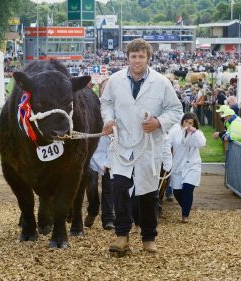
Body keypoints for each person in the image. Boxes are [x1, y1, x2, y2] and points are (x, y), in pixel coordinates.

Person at [101, 38, 183, 254]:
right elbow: (106, 103)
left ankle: (148, 238)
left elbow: (176, 110)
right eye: (133, 56)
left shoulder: (161, 82)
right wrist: (108, 120)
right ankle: (122, 236)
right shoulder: (115, 80)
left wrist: (159, 122)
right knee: (119, 188)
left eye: (141, 56)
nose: (137, 60)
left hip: (148, 146)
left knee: (147, 193)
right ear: (127, 57)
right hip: (123, 145)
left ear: (148, 57)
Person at [84, 78, 115, 231]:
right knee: (91, 185)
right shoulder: (94, 106)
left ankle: (108, 218)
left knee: (109, 187)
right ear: (100, 89)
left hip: (111, 152)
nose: (107, 89)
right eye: (104, 87)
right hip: (93, 150)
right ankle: (93, 209)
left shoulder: (119, 107)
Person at [169, 113, 206, 223]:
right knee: (177, 192)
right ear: (182, 122)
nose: (188, 125)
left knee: (187, 189)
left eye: (191, 123)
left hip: (192, 166)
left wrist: (194, 132)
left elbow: (202, 143)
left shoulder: (197, 134)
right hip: (177, 166)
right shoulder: (175, 132)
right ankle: (186, 206)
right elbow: (166, 144)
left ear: (194, 125)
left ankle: (185, 215)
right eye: (186, 122)